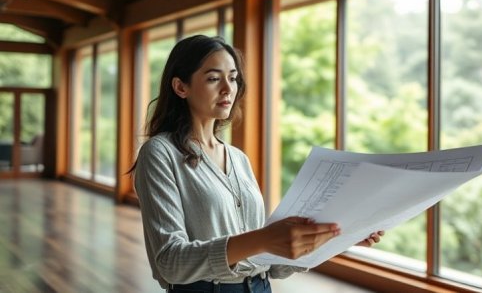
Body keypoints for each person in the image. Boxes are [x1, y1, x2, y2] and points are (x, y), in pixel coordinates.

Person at [131, 35, 384, 293]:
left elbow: (270, 265)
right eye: (213, 78)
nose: (228, 89)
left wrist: (337, 237)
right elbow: (170, 262)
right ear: (180, 87)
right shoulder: (159, 154)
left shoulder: (239, 159)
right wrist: (263, 238)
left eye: (232, 78)